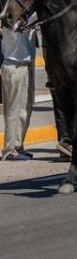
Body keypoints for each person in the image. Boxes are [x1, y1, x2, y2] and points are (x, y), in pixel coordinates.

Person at [0, 13, 37, 160]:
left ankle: (18, 145)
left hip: (25, 66)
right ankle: (9, 150)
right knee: (13, 110)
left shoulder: (26, 19)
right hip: (13, 66)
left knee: (25, 109)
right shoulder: (12, 21)